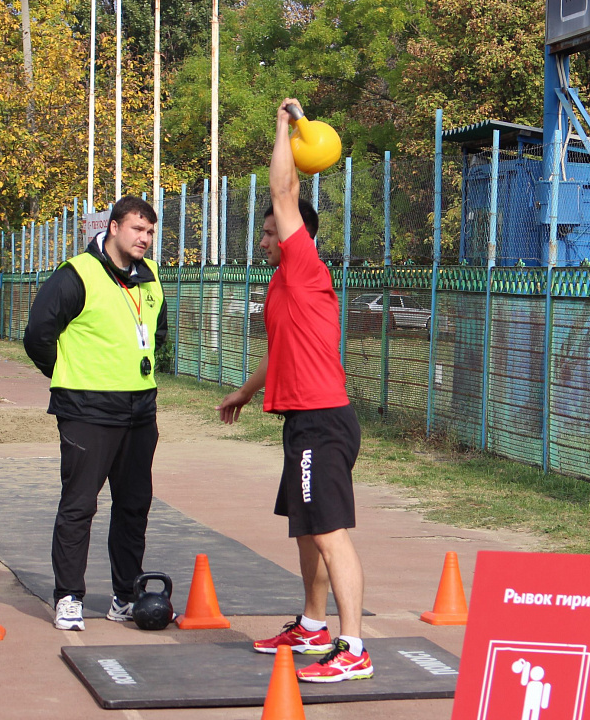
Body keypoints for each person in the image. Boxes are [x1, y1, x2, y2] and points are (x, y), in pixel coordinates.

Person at [216, 98, 369, 683]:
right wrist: (244, 392)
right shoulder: (282, 284)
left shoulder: (304, 265)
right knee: (307, 528)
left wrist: (282, 126)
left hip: (323, 419)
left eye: (271, 228)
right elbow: (281, 354)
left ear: (292, 231)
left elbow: (284, 192)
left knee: (330, 531)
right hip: (300, 419)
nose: (264, 236)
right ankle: (313, 625)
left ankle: (354, 646)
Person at [24, 196, 168, 631]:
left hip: (140, 408)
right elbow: (38, 335)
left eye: (150, 232)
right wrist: (69, 374)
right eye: (136, 230)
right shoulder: (75, 275)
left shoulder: (151, 275)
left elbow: (157, 331)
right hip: (86, 408)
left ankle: (125, 595)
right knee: (80, 505)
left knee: (134, 506)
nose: (144, 239)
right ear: (114, 228)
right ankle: (68, 596)